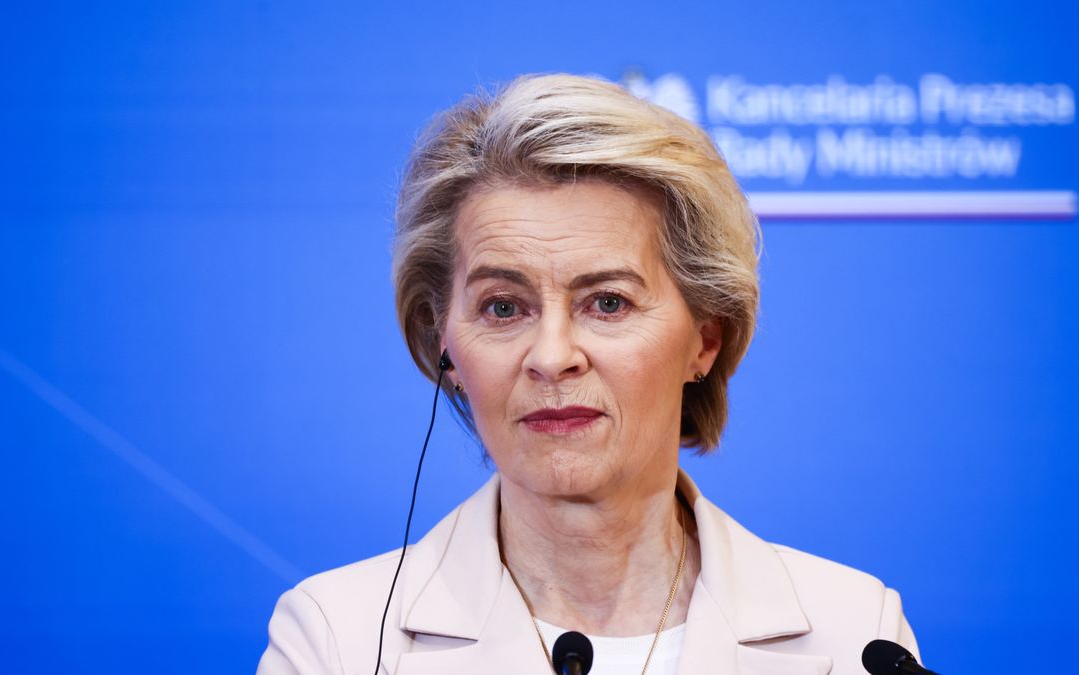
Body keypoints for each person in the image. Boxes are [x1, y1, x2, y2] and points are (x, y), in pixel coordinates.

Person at [258, 73, 920, 675]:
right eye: (503, 306)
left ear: (705, 339)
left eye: (607, 302)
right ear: (445, 348)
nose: (552, 356)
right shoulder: (337, 639)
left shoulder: (856, 634)